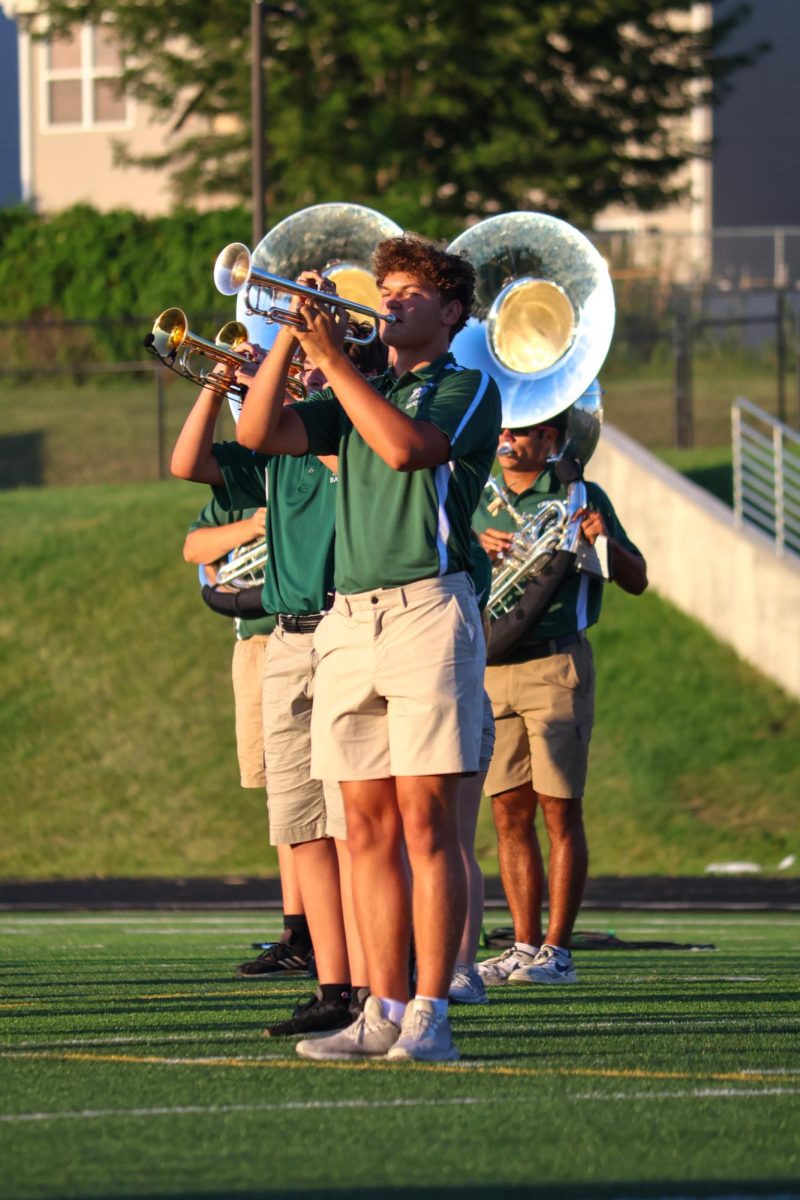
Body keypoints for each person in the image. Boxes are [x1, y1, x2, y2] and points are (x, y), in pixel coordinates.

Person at [235, 234, 502, 1062]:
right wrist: (289, 333)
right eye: (382, 286)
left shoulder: (464, 384)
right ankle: (380, 1009)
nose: (387, 300)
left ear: (451, 311)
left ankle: (430, 1012)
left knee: (426, 824)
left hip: (428, 609)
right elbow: (255, 434)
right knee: (368, 827)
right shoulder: (365, 386)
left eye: (409, 291)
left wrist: (333, 357)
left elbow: (405, 449)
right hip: (349, 618)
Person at [171, 348, 369, 1039]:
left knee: (353, 826)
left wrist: (317, 366)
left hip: (345, 628)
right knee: (302, 822)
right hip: (284, 637)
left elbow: (343, 457)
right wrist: (222, 381)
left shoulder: (350, 429)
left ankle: (376, 982)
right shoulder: (272, 450)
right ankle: (334, 988)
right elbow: (188, 465)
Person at [472, 415, 648, 986]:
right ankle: (523, 944)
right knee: (507, 811)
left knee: (559, 809)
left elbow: (637, 578)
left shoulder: (580, 494)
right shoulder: (475, 489)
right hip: (492, 665)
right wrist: (474, 544)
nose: (506, 440)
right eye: (505, 430)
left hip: (556, 663)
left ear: (549, 440)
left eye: (522, 433)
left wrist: (603, 539)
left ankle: (558, 950)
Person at [183, 499, 313, 977]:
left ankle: (329, 927)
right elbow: (196, 550)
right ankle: (297, 930)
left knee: (333, 792)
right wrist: (253, 525)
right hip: (257, 647)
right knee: (283, 797)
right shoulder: (237, 487)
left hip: (313, 631)